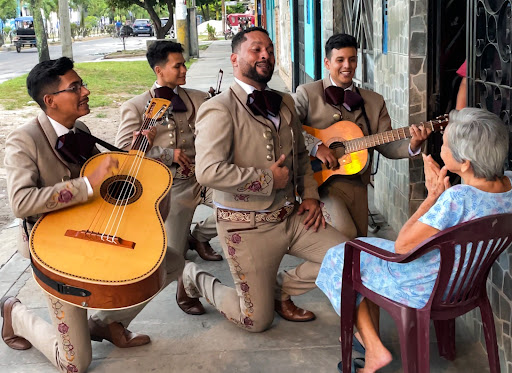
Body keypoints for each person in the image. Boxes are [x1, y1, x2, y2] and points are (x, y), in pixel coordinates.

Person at [0, 57, 180, 372]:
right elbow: (21, 202)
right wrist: (86, 185)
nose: (86, 90)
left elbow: (107, 174)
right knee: (75, 363)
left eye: (82, 83)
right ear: (50, 101)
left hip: (92, 227)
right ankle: (15, 315)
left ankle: (107, 323)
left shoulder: (79, 128)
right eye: (76, 87)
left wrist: (140, 150)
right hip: (55, 249)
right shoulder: (23, 140)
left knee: (171, 263)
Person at [316, 108, 512, 373]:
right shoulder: (508, 185)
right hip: (466, 284)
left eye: (445, 143)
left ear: (464, 162)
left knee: (343, 257)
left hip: (424, 284)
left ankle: (374, 350)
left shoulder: (457, 199)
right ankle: (372, 338)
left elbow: (402, 247)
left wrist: (432, 198)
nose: (440, 146)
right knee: (359, 252)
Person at [181, 27, 345, 332]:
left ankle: (282, 289)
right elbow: (207, 171)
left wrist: (309, 194)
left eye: (269, 49)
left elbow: (298, 156)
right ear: (234, 59)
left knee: (347, 257)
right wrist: (267, 179)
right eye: (256, 50)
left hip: (290, 218)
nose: (265, 55)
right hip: (246, 227)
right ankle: (193, 277)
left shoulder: (284, 102)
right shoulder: (217, 109)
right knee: (255, 320)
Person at [115, 40, 221, 316]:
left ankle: (199, 236)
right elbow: (126, 149)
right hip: (172, 185)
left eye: (184, 64)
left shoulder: (197, 98)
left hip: (205, 177)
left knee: (236, 210)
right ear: (159, 70)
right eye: (178, 65)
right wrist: (166, 154)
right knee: (173, 251)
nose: (185, 69)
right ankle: (184, 290)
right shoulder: (136, 106)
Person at [293, 33, 430, 240]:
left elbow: (387, 144)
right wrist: (316, 146)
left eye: (352, 59)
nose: (347, 65)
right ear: (327, 63)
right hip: (321, 183)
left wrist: (413, 143)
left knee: (359, 243)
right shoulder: (307, 93)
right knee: (344, 235)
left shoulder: (374, 101)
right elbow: (287, 127)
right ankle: (293, 275)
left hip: (358, 185)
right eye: (340, 60)